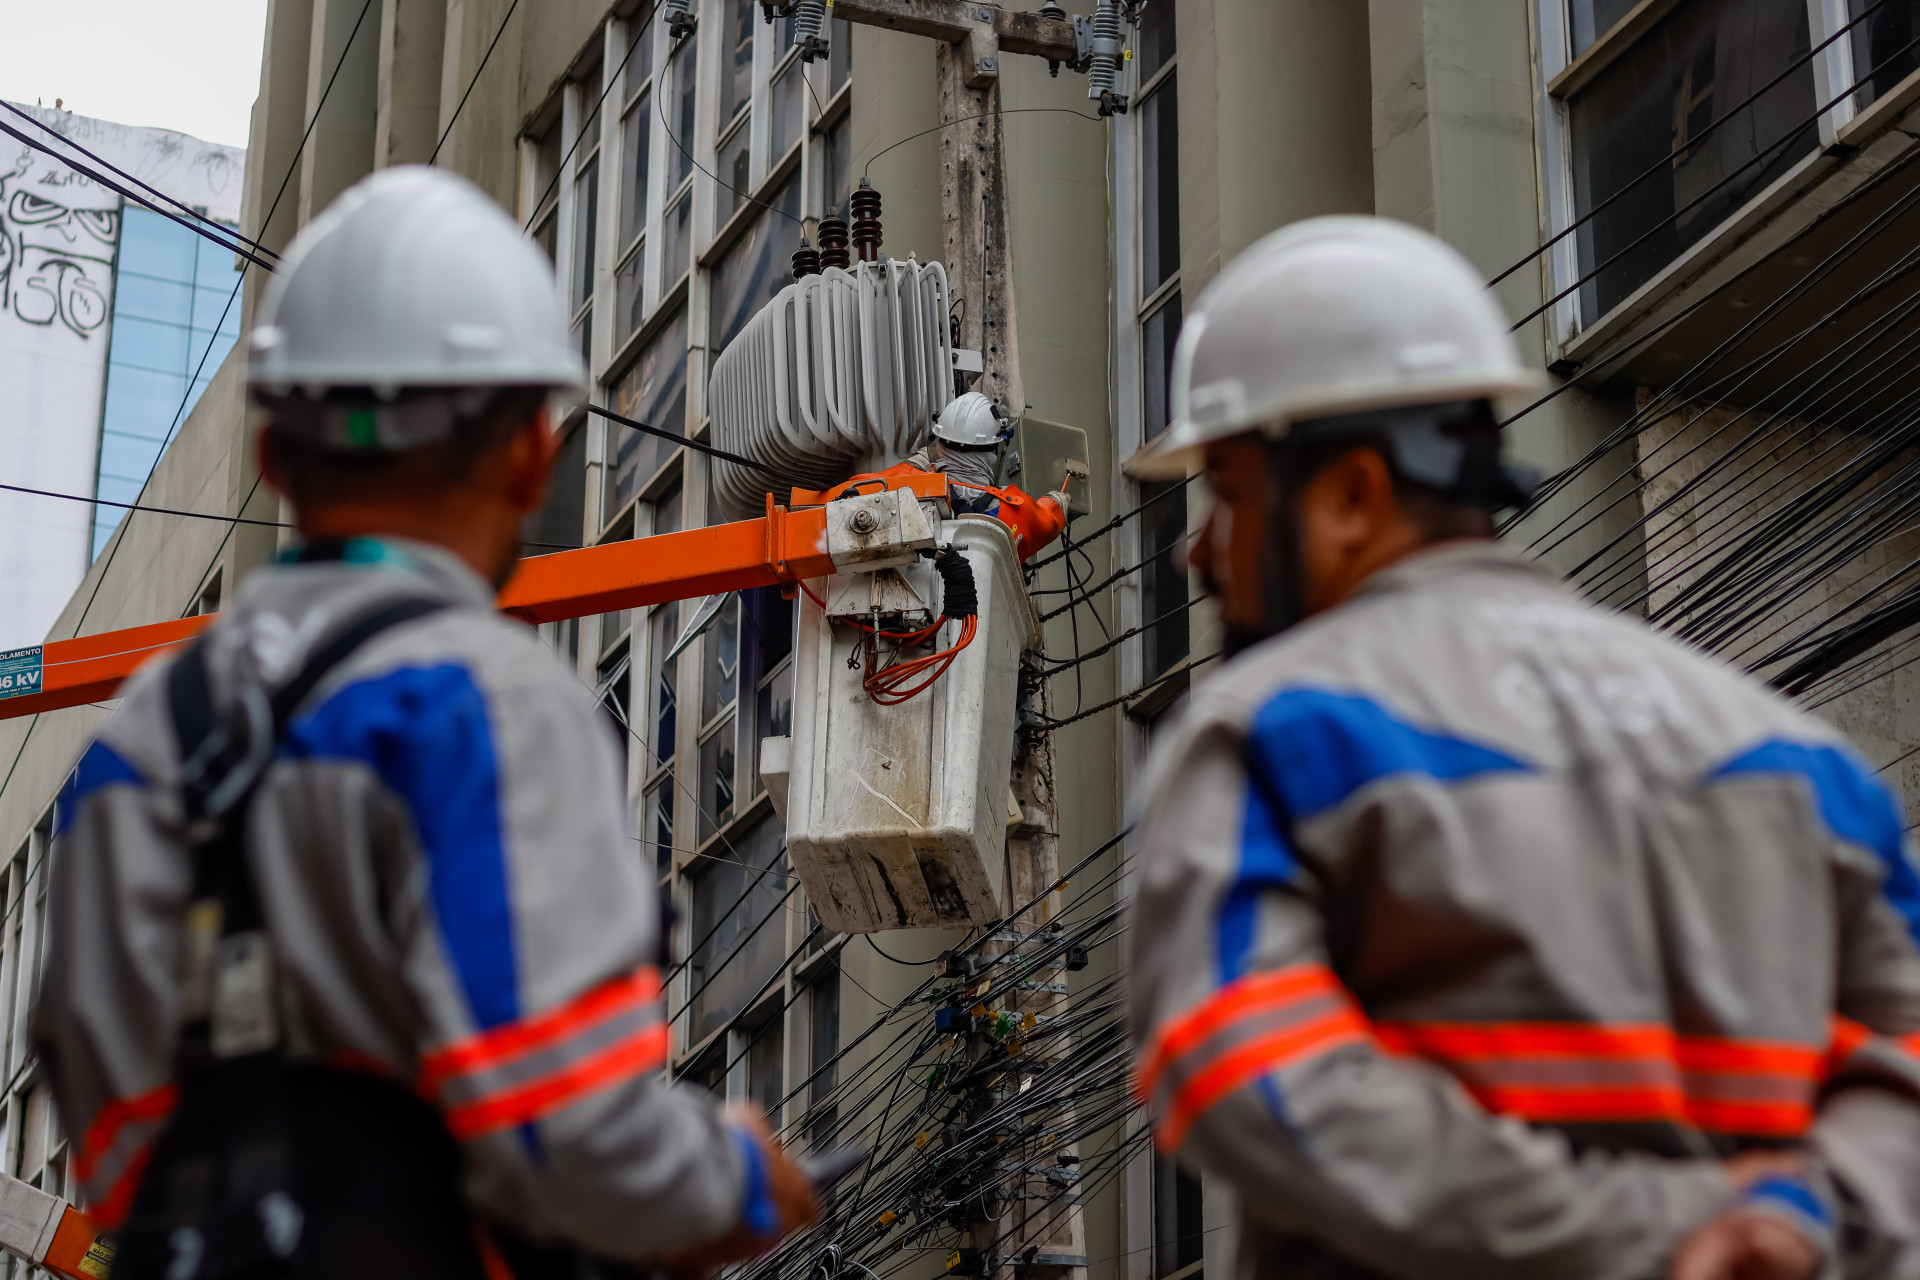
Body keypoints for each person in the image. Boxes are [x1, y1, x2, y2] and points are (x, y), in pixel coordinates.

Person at [33, 167, 815, 1280]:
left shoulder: (137, 741)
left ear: (271, 458)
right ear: (527, 453)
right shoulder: (488, 704)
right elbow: (562, 1126)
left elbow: (110, 1131)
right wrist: (734, 1174)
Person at [1123, 217, 1920, 1280]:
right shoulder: (1801, 756)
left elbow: (1242, 1061)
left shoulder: (1271, 726)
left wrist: (1652, 1220)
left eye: (1224, 493)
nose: (1198, 549)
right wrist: (1787, 1220)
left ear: (1352, 495)